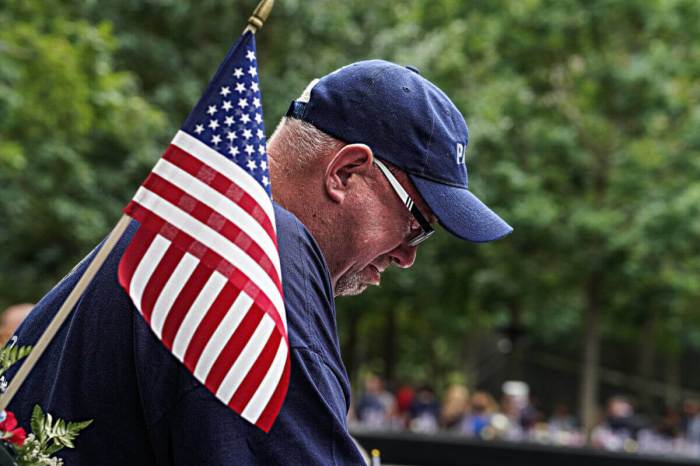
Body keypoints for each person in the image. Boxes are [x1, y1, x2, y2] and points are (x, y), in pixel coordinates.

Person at [7, 60, 511, 464]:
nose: (408, 257)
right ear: (347, 172)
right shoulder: (262, 254)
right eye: (416, 222)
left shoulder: (189, 218)